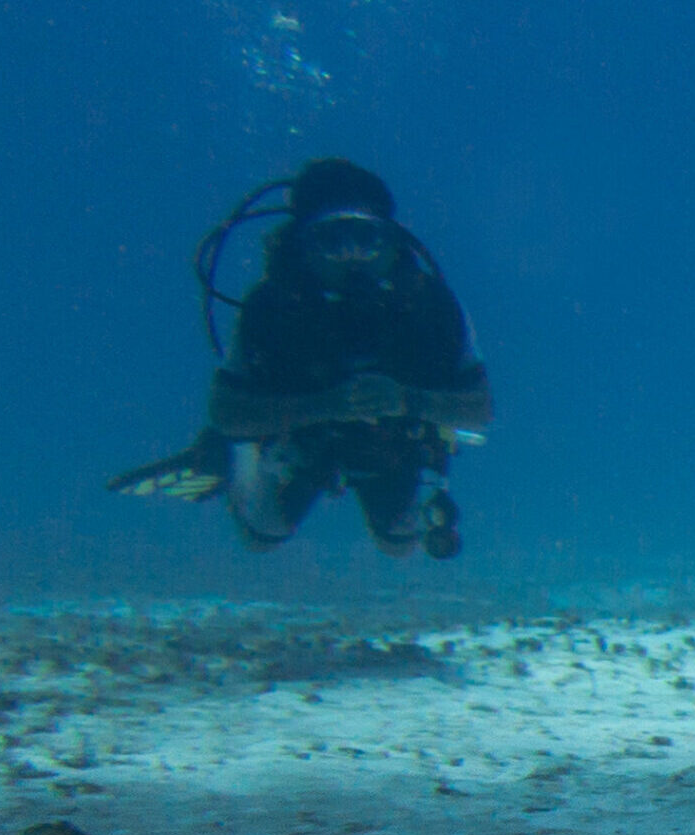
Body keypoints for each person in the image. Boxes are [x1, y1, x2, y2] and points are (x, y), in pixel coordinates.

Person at [109, 158, 491, 559]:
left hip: (390, 444)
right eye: (332, 240)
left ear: (391, 243)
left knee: (399, 544)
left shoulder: (432, 304)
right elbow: (225, 411)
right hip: (300, 442)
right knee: (262, 535)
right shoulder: (270, 306)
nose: (351, 257)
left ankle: (237, 462)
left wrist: (407, 401)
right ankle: (233, 462)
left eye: (365, 238)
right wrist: (324, 407)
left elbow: (480, 408)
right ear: (303, 248)